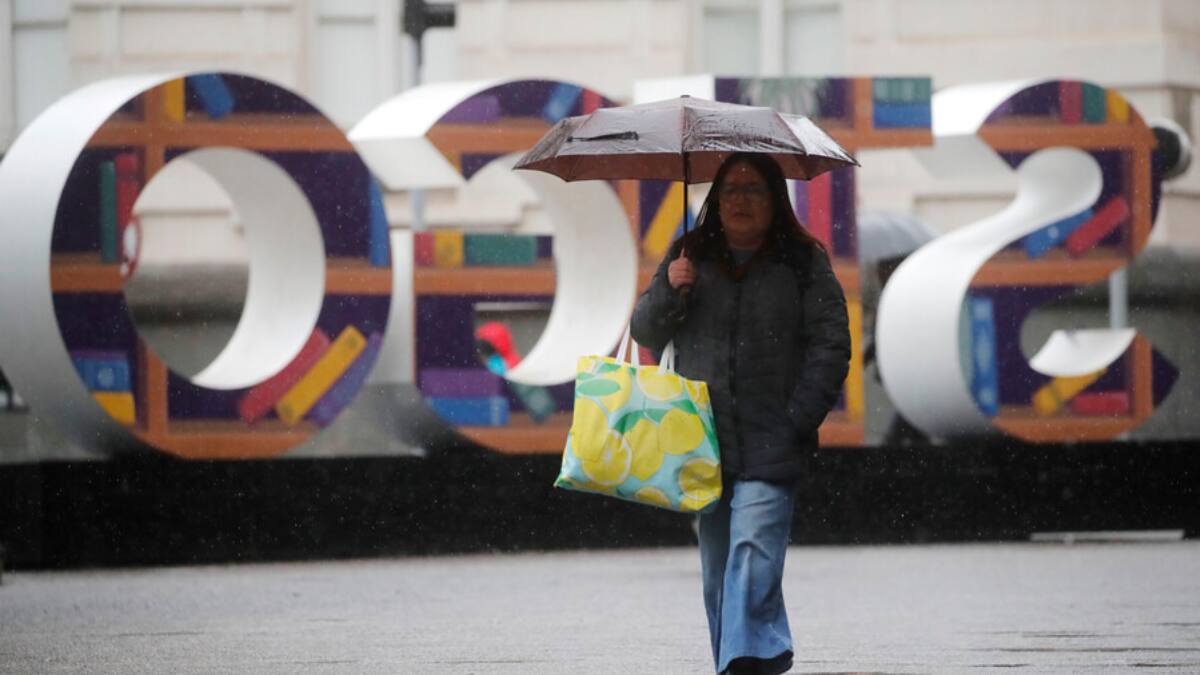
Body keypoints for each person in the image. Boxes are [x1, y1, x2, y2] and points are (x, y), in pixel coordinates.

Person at [631, 153, 851, 675]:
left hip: (774, 437)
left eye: (753, 189)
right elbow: (645, 330)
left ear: (776, 200)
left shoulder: (803, 262)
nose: (740, 199)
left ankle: (748, 662)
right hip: (702, 442)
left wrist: (799, 417)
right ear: (716, 197)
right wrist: (670, 287)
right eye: (730, 188)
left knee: (752, 551)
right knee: (717, 572)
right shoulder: (690, 254)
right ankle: (744, 657)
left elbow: (831, 343)